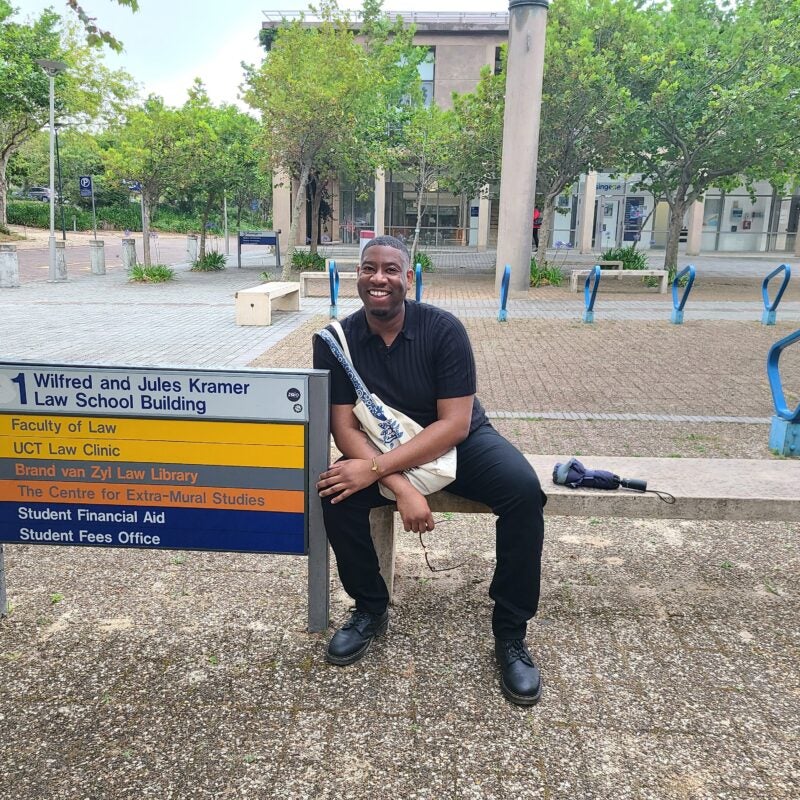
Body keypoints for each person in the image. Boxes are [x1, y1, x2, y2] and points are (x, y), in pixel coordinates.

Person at [312, 235, 546, 706]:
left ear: (409, 279)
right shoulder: (335, 341)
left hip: (456, 440)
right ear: (357, 276)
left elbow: (454, 424)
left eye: (391, 270)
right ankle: (370, 609)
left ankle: (510, 633)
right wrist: (398, 485)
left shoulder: (444, 330)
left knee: (523, 492)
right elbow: (342, 427)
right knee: (334, 494)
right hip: (379, 443)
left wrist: (377, 470)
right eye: (369, 268)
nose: (379, 278)